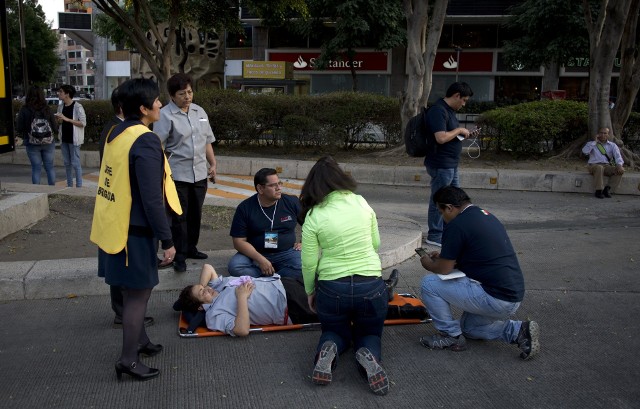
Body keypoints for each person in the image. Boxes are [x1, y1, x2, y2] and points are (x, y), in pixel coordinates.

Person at [90, 78, 182, 382]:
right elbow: (151, 196)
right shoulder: (144, 140)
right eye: (155, 101)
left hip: (116, 226)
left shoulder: (116, 132)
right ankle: (128, 360)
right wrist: (167, 240)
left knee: (132, 291)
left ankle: (140, 341)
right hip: (136, 232)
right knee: (138, 295)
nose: (160, 104)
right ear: (143, 109)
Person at [300, 156, 390, 396]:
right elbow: (376, 243)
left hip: (332, 287)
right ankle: (369, 355)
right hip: (370, 284)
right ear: (341, 177)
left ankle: (328, 348)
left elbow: (309, 262)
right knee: (369, 333)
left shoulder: (313, 215)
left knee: (335, 331)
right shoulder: (361, 203)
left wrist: (310, 291)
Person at [417, 186, 539, 361]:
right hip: (512, 296)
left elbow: (444, 269)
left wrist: (428, 264)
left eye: (441, 212)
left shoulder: (457, 225)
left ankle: (450, 336)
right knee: (469, 328)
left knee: (429, 284)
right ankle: (519, 331)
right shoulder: (485, 215)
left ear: (450, 208)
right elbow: (478, 252)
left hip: (494, 298)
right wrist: (446, 257)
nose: (442, 217)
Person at [154, 73, 217, 273]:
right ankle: (179, 255)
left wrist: (213, 164)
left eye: (189, 92)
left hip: (199, 174)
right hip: (177, 175)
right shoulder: (165, 115)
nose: (187, 97)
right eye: (182, 94)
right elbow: (158, 144)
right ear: (172, 96)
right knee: (178, 216)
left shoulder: (200, 111)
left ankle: (191, 248)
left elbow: (206, 140)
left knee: (195, 214)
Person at [176, 264, 317, 336]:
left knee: (329, 279)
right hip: (289, 305)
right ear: (201, 307)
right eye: (202, 293)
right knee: (332, 303)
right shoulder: (214, 315)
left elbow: (207, 267)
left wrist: (203, 288)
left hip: (283, 283)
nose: (207, 289)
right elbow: (242, 330)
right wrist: (242, 298)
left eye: (203, 287)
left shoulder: (216, 288)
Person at [227, 168, 303, 279]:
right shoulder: (245, 208)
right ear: (260, 188)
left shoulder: (291, 202)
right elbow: (238, 242)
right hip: (256, 253)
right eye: (273, 185)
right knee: (235, 266)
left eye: (279, 183)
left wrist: (304, 242)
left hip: (286, 252)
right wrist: (260, 259)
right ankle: (277, 278)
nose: (279, 188)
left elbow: (310, 224)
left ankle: (268, 279)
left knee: (304, 267)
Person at [423, 82, 474, 247]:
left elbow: (448, 136)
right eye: (464, 100)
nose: (464, 104)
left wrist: (460, 133)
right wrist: (459, 130)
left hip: (451, 164)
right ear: (456, 95)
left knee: (456, 199)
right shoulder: (438, 110)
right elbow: (441, 137)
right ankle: (435, 235)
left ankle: (448, 231)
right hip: (441, 164)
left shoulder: (448, 111)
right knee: (439, 200)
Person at [15, 85, 58, 185]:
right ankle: (52, 190)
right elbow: (54, 127)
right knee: (49, 167)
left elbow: (19, 127)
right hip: (48, 142)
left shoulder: (25, 109)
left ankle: (37, 191)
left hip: (31, 142)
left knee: (36, 168)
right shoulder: (47, 109)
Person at [55, 84, 86, 188]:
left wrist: (67, 119)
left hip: (74, 139)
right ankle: (69, 186)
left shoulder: (77, 106)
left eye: (61, 92)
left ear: (67, 94)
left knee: (75, 163)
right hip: (64, 139)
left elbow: (83, 123)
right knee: (67, 163)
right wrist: (59, 121)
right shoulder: (61, 106)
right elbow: (61, 122)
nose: (58, 93)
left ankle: (79, 186)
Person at [581, 127, 625, 199]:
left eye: (605, 133)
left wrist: (619, 165)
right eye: (601, 133)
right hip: (593, 165)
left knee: (620, 170)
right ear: (598, 134)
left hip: (606, 166)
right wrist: (595, 142)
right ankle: (598, 190)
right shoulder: (591, 144)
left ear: (608, 135)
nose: (603, 135)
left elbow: (618, 156)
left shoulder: (612, 145)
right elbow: (585, 152)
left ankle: (607, 189)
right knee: (599, 167)